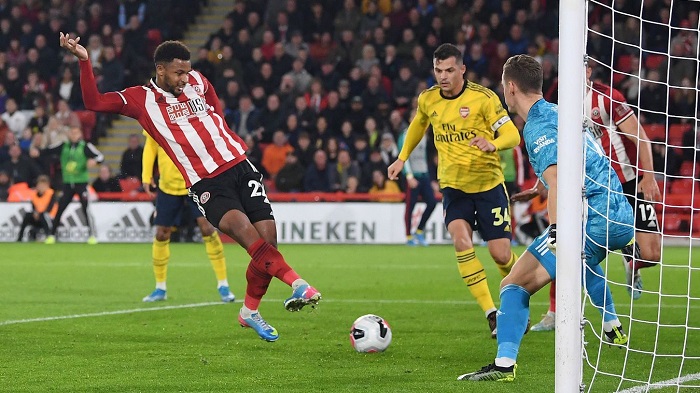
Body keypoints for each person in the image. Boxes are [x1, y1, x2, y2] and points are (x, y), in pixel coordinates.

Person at [61, 33, 320, 342]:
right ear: (160, 69)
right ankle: (298, 284)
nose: (185, 78)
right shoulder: (140, 99)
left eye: (187, 71)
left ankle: (249, 312)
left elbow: (214, 103)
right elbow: (94, 101)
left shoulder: (196, 78)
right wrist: (84, 60)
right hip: (207, 182)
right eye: (178, 73)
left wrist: (223, 136)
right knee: (252, 243)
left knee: (268, 245)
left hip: (239, 164)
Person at [458, 54, 633, 382]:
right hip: (619, 214)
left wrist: (555, 231)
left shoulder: (536, 125)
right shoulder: (561, 113)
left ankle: (504, 367)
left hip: (593, 218)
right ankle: (613, 327)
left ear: (510, 88)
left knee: (513, 285)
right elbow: (576, 164)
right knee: (581, 263)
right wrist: (540, 190)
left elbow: (558, 180)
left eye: (502, 86)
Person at [518, 58, 663, 332]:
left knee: (652, 253)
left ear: (588, 71)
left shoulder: (607, 98)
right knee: (565, 243)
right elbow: (555, 152)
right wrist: (541, 185)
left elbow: (640, 136)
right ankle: (553, 311)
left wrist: (649, 175)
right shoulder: (559, 106)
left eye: (581, 68)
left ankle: (632, 262)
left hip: (628, 182)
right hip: (591, 189)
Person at [387, 43, 521, 338]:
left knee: (500, 255)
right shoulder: (429, 99)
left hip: (488, 186)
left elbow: (511, 133)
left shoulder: (484, 98)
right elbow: (418, 125)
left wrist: (493, 143)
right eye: (438, 70)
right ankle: (491, 314)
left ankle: (516, 297)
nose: (443, 76)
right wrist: (402, 158)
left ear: (462, 69)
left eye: (449, 70)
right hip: (453, 187)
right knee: (461, 242)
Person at [141, 131, 236, 304]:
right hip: (168, 186)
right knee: (162, 233)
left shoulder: (188, 115)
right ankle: (160, 287)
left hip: (195, 181)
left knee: (207, 228)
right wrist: (146, 175)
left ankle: (224, 285)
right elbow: (151, 145)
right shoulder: (154, 114)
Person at [31, 126, 103, 245]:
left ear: (80, 134)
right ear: (69, 134)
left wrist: (95, 161)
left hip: (81, 183)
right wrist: (38, 152)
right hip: (68, 184)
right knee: (60, 209)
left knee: (85, 209)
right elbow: (49, 150)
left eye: (76, 133)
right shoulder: (63, 146)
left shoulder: (85, 146)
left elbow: (100, 156)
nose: (74, 135)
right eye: (72, 133)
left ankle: (92, 235)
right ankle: (52, 235)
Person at [397, 117, 437, 246]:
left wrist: (431, 178)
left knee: (432, 203)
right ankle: (408, 236)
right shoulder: (405, 135)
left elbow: (426, 158)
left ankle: (419, 231)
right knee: (410, 206)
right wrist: (409, 176)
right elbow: (403, 156)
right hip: (413, 176)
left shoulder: (425, 136)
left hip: (424, 175)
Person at [16, 174, 56, 242]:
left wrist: (40, 213)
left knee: (43, 215)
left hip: (50, 216)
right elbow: (33, 207)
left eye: (43, 185)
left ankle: (48, 236)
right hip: (38, 216)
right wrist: (35, 213)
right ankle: (20, 237)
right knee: (27, 215)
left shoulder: (51, 193)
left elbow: (50, 208)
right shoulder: (34, 195)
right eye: (40, 185)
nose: (41, 187)